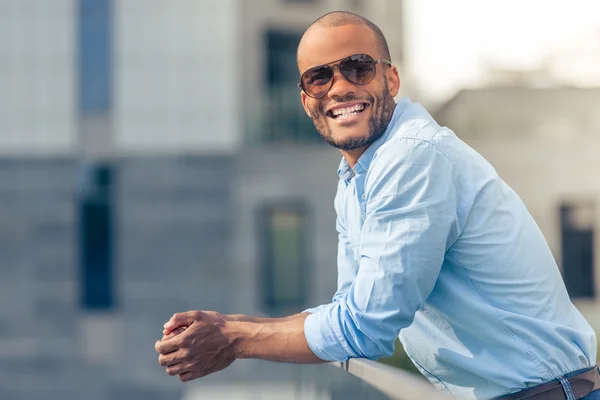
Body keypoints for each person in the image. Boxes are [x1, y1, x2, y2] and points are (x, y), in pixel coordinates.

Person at [155, 11, 599, 400]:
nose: (341, 87)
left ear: (391, 79)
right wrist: (226, 324)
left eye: (358, 68)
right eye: (319, 77)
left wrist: (233, 339)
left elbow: (365, 327)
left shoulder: (414, 157)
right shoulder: (355, 179)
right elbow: (348, 306)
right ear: (306, 98)